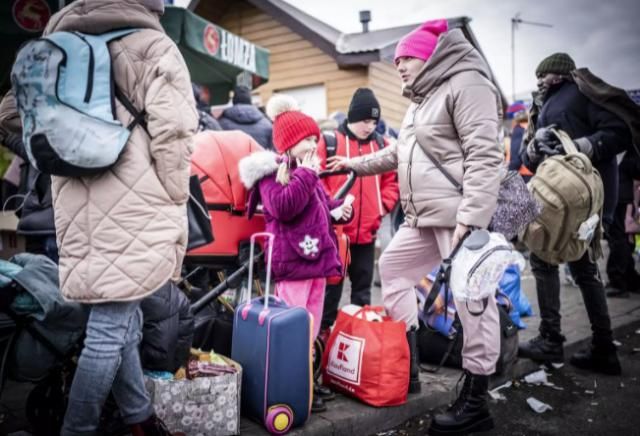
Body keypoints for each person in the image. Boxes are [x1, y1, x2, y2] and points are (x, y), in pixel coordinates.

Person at [0, 0, 198, 434]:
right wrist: (171, 192)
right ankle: (79, 427)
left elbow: (10, 115)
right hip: (136, 203)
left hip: (73, 205)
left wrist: (67, 150)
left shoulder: (55, 43)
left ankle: (138, 417)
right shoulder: (154, 45)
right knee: (109, 329)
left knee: (118, 318)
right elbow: (176, 130)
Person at [329, 19, 503, 435]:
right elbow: (398, 152)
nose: (399, 66)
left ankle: (476, 398)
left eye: (405, 58)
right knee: (392, 271)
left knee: (472, 300)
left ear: (429, 55)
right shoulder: (421, 101)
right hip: (423, 217)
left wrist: (472, 218)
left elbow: (485, 155)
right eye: (398, 60)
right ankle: (408, 364)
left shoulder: (468, 83)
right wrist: (354, 163)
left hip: (459, 217)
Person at [238, 94, 352, 414]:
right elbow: (285, 208)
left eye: (316, 138)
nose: (315, 143)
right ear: (288, 143)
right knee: (290, 326)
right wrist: (306, 174)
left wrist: (338, 211)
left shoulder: (306, 170)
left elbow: (321, 206)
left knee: (310, 328)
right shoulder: (273, 174)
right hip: (292, 263)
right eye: (308, 139)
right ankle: (284, 384)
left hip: (314, 262)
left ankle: (303, 382)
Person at [519, 52, 629, 375]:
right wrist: (534, 147)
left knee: (545, 258)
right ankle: (603, 347)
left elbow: (619, 133)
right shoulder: (540, 105)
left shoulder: (584, 93)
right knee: (581, 267)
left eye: (545, 76)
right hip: (563, 201)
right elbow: (528, 156)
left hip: (583, 201)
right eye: (538, 78)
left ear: (561, 74)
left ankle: (553, 339)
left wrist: (581, 145)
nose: (540, 81)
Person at [317, 88, 399, 342]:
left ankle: (359, 343)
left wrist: (381, 208)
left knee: (362, 293)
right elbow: (317, 180)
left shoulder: (382, 145)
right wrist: (330, 211)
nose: (370, 126)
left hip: (366, 233)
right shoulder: (330, 142)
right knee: (331, 292)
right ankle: (323, 344)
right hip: (335, 235)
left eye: (374, 121)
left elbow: (392, 182)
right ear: (353, 117)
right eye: (365, 120)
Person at [605, 150, 640, 297]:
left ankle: (618, 280)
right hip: (623, 197)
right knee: (622, 238)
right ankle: (629, 277)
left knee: (618, 238)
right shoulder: (627, 152)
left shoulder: (624, 153)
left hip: (619, 198)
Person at [218, 85, 273, 150]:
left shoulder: (221, 123)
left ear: (234, 101)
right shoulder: (266, 124)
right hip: (260, 159)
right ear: (250, 100)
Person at [507, 109, 534, 182]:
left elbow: (516, 155)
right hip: (534, 171)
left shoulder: (518, 130)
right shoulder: (531, 127)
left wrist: (509, 172)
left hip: (523, 174)